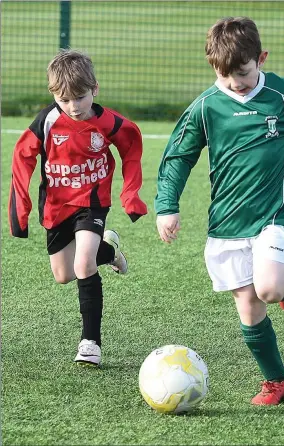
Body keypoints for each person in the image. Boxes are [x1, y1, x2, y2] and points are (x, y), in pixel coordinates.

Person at [155, 17, 284, 405]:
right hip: (227, 222)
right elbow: (178, 156)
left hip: (277, 213)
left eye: (243, 72)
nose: (236, 82)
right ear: (213, 69)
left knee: (269, 287)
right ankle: (276, 381)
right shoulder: (206, 107)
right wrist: (167, 206)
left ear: (261, 59)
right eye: (226, 77)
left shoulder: (282, 95)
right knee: (248, 304)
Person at [9, 49, 147, 367]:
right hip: (56, 205)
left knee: (83, 265)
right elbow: (22, 158)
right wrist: (21, 208)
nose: (74, 107)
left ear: (94, 89)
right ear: (54, 94)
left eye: (80, 98)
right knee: (63, 274)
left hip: (92, 200)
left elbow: (132, 145)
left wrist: (131, 194)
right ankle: (109, 252)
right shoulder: (46, 122)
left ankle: (91, 343)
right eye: (65, 99)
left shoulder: (107, 122)